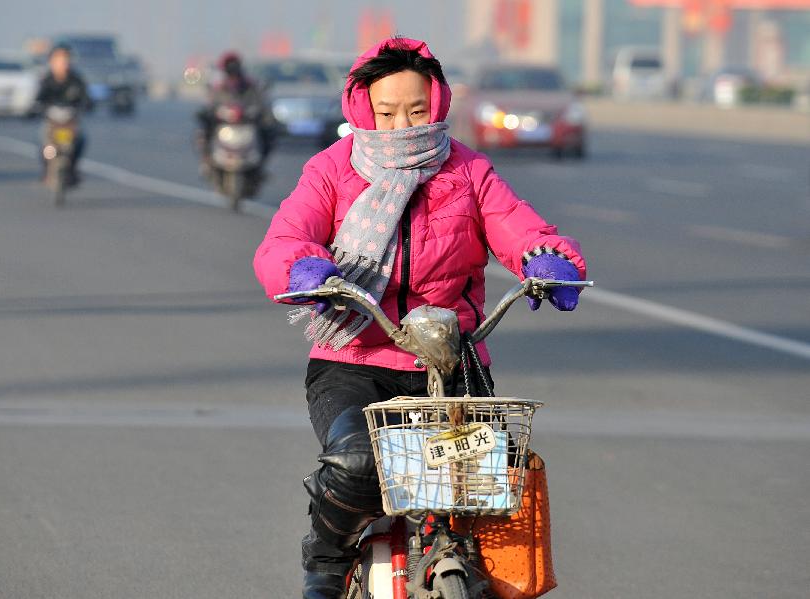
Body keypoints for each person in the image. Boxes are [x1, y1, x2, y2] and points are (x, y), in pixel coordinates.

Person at [253, 37, 587, 599]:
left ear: (436, 104)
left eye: (414, 109)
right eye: (386, 112)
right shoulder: (332, 169)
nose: (401, 123)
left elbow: (521, 229)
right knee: (358, 463)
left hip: (452, 370)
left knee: (476, 495)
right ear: (363, 109)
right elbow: (285, 238)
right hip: (355, 363)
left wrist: (548, 262)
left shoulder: (469, 171)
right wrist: (303, 270)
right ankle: (326, 564)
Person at [196, 51, 276, 159]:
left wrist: (254, 112)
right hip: (224, 124)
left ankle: (261, 159)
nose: (233, 71)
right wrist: (214, 113)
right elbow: (210, 104)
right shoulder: (218, 86)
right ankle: (207, 158)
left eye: (234, 66)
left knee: (267, 132)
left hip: (246, 123)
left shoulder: (249, 85)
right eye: (229, 67)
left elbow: (259, 102)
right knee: (204, 132)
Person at [34, 43, 90, 182]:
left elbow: (86, 98)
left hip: (70, 121)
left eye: (65, 59)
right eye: (58, 59)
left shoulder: (76, 80)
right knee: (46, 147)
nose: (62, 63)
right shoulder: (46, 80)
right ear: (52, 61)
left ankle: (73, 168)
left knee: (81, 140)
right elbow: (38, 99)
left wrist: (87, 105)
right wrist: (35, 108)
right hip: (52, 122)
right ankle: (47, 171)